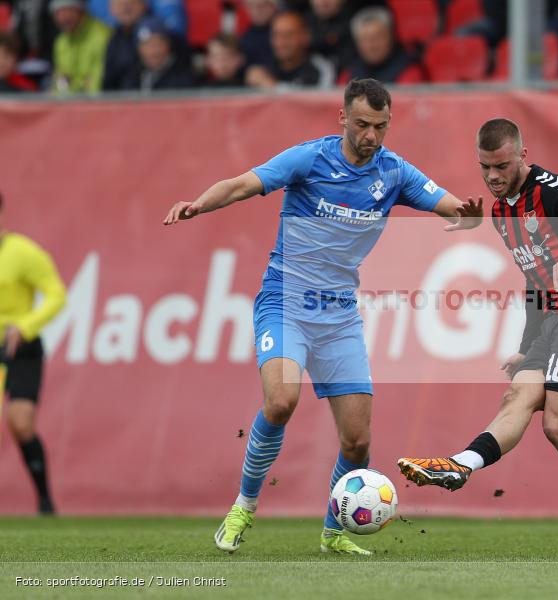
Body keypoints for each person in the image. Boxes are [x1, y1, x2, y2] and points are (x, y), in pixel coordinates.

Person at [162, 78, 483, 556]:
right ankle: (243, 507)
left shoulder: (394, 173)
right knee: (280, 401)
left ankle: (333, 532)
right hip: (286, 302)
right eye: (361, 125)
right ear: (342, 119)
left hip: (338, 317)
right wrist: (197, 205)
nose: (371, 135)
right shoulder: (309, 159)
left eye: (379, 126)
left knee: (357, 442)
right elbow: (242, 184)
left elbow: (454, 207)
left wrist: (467, 216)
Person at [398, 118, 558, 559]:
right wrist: (527, 344)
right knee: (516, 398)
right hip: (552, 324)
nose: (493, 177)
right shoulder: (502, 211)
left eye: (502, 165)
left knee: (557, 425)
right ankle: (461, 465)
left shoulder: (553, 190)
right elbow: (535, 280)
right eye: (485, 167)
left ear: (522, 156)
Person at [0, 191, 67, 515]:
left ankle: (44, 500)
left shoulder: (22, 252)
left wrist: (24, 326)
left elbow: (56, 295)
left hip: (20, 348)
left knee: (21, 423)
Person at [245, 10, 334, 89]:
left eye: (288, 36)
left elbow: (319, 104)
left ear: (305, 37)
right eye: (276, 35)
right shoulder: (264, 69)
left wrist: (272, 87)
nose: (280, 43)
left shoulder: (321, 69)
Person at [341, 6, 423, 84]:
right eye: (365, 39)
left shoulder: (409, 71)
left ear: (391, 36)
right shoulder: (349, 74)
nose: (371, 46)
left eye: (377, 37)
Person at [50, 0, 112, 94]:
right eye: (59, 13)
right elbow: (61, 80)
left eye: (68, 11)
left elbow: (98, 81)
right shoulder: (61, 42)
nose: (64, 17)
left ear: (81, 12)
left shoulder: (102, 37)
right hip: (71, 102)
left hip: (96, 102)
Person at [240, 0, 278, 68]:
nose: (257, 10)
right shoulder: (244, 37)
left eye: (262, 5)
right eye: (251, 6)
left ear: (274, 7)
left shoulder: (283, 31)